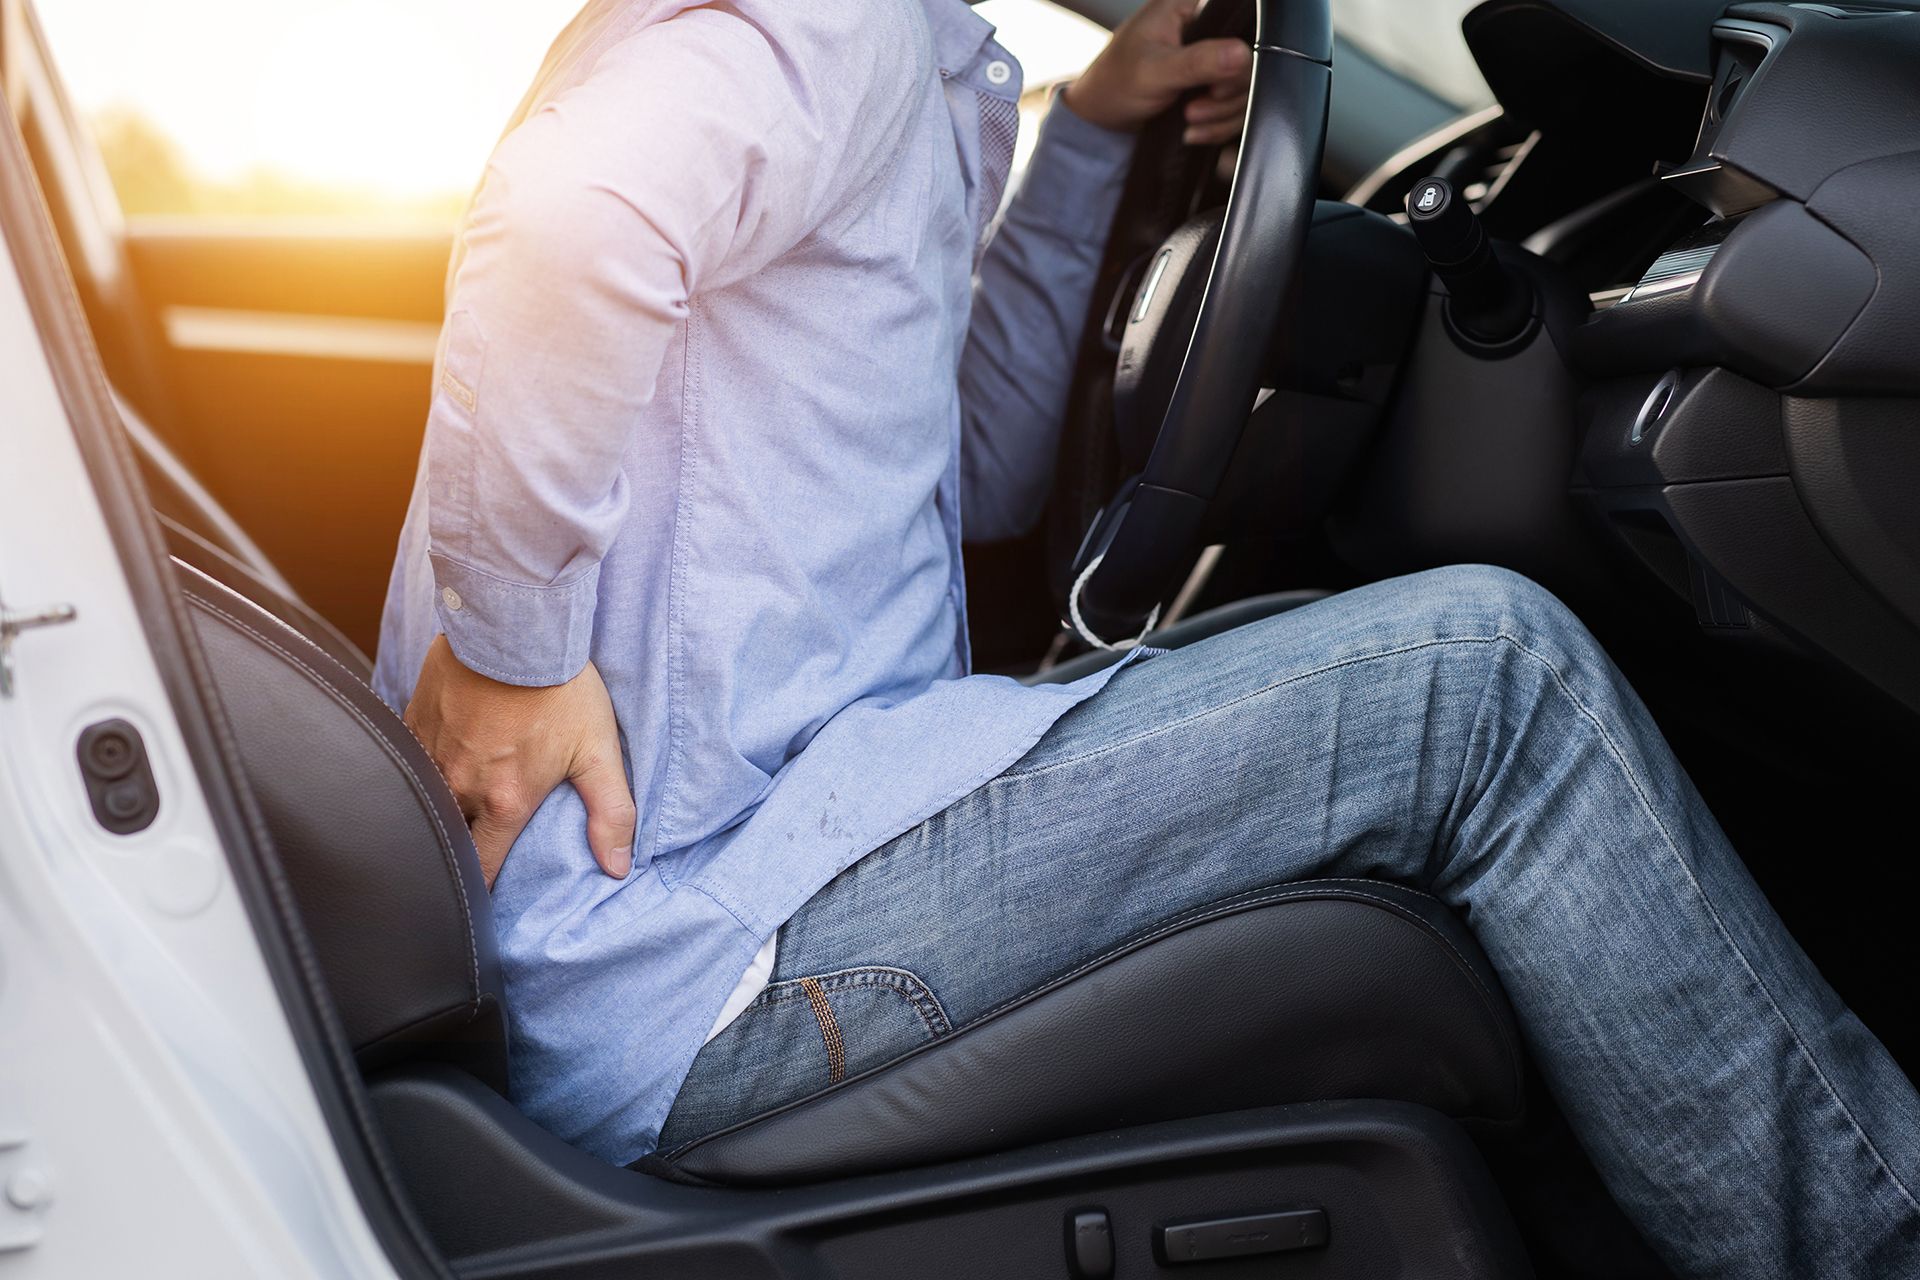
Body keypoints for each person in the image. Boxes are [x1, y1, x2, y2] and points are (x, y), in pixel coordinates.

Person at [373, 0, 1920, 1273]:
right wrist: (515, 648)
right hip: (706, 945)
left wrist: (1092, 138)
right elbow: (568, 221)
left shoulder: (899, 54)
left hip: (744, 878)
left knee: (1343, 658)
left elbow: (967, 458)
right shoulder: (819, 24)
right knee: (1488, 682)